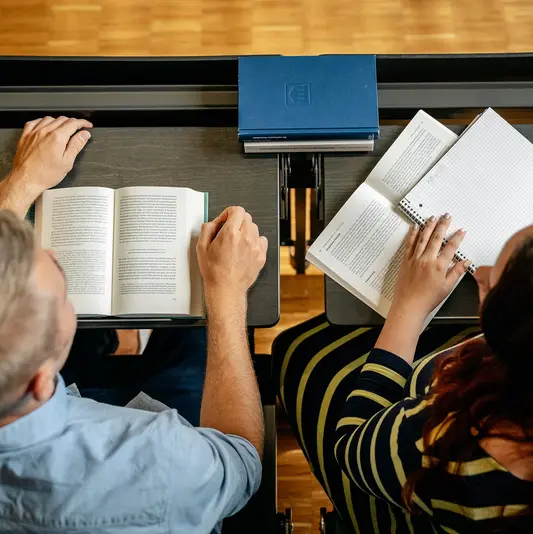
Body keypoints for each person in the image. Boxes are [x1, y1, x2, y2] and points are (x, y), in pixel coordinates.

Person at [0, 116, 268, 533]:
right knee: (196, 330)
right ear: (39, 381)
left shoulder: (24, 383)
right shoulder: (164, 461)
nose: (53, 255)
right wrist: (227, 294)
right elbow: (240, 461)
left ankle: (99, 341)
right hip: (152, 453)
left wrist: (20, 186)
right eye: (62, 299)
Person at [274, 214, 533, 533]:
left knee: (298, 350)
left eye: (494, 284)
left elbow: (352, 448)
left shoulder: (459, 446)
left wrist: (408, 307)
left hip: (406, 487)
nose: (480, 272)